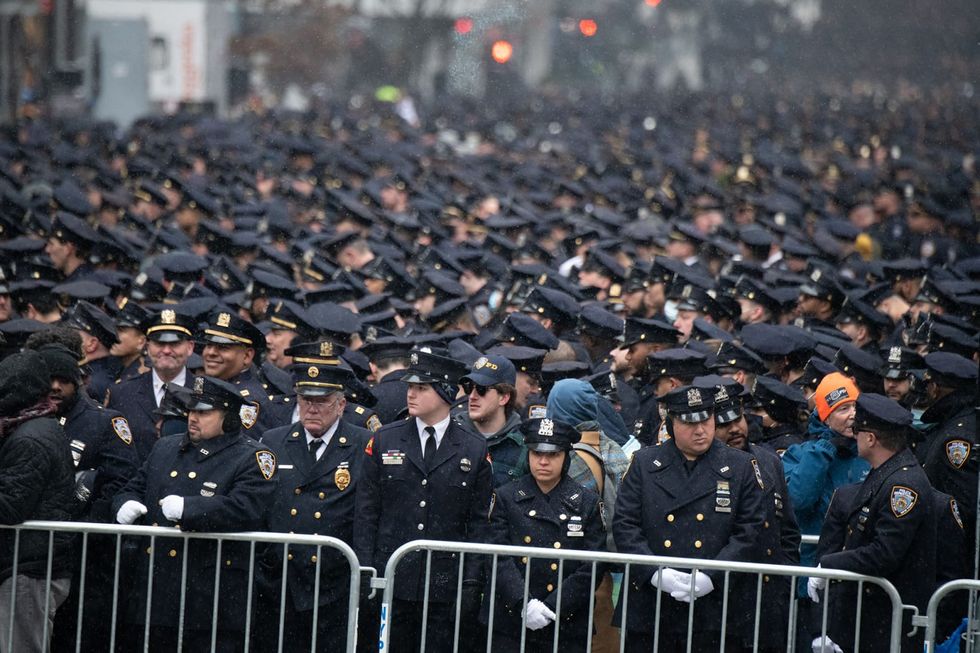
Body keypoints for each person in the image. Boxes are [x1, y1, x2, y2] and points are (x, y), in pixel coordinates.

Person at [112, 376, 279, 652]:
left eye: (204, 413)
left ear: (228, 417)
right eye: (191, 410)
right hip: (156, 588)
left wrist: (190, 509)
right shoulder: (166, 447)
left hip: (210, 595)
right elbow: (135, 486)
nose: (193, 418)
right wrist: (124, 503)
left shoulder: (252, 457)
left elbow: (246, 508)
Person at [353, 349, 493, 652]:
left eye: (421, 387)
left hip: (444, 581)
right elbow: (366, 512)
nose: (411, 394)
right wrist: (365, 570)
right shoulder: (385, 439)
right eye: (410, 386)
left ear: (445, 392)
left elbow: (478, 522)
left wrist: (471, 581)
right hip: (392, 576)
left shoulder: (473, 448)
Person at [613, 384, 766, 652]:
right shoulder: (644, 463)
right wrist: (654, 573)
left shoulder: (740, 465)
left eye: (706, 420)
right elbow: (625, 525)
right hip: (652, 604)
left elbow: (750, 531)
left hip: (715, 606)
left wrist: (712, 576)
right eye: (689, 423)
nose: (700, 430)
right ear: (671, 424)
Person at [254, 360, 371, 652]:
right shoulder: (275, 440)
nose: (312, 409)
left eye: (321, 401)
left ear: (341, 405)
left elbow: (368, 511)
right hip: (280, 578)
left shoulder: (363, 443)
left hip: (333, 578)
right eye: (305, 400)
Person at [811, 393, 937, 653]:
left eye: (858, 431)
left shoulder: (903, 486)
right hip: (868, 622)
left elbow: (884, 553)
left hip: (887, 623)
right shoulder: (886, 474)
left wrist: (830, 563)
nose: (854, 437)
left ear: (870, 438)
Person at [482, 418, 606, 653]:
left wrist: (554, 605)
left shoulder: (587, 503)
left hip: (566, 621)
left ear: (566, 457)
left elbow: (593, 565)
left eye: (553, 454)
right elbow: (497, 556)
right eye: (536, 453)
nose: (543, 461)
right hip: (511, 618)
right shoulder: (506, 497)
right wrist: (523, 602)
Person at [706, 377, 800, 653]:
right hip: (721, 597)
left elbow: (787, 530)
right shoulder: (703, 465)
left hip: (767, 595)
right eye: (724, 424)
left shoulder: (768, 460)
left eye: (738, 418)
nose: (735, 428)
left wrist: (785, 583)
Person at [0, 350, 75, 653]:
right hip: (26, 564)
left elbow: (10, 506)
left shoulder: (29, 438)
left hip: (28, 569)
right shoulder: (33, 427)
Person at [781, 373, 868, 588]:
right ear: (826, 418)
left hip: (859, 571)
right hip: (812, 571)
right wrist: (825, 447)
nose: (853, 415)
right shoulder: (800, 454)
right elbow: (799, 500)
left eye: (856, 407)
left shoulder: (870, 452)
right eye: (843, 409)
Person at [107, 309, 197, 462]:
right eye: (159, 343)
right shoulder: (122, 393)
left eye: (175, 343)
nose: (166, 350)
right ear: (147, 347)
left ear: (190, 347)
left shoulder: (204, 394)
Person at [456, 354, 527, 487]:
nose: (472, 396)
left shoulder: (523, 446)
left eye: (481, 389)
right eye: (469, 387)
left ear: (504, 398)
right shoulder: (450, 434)